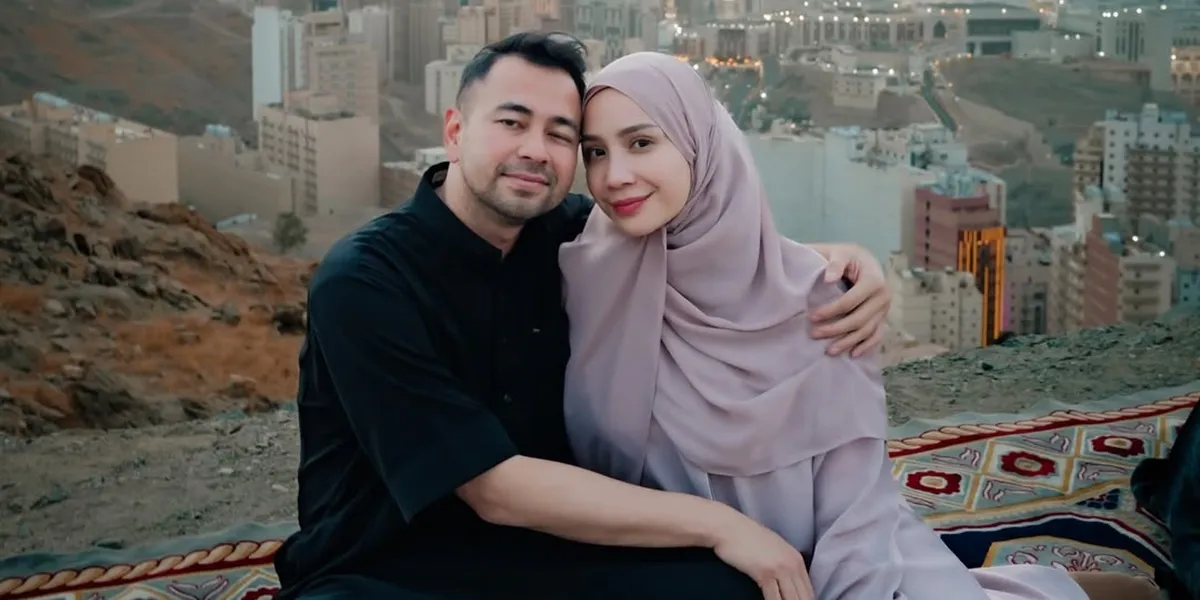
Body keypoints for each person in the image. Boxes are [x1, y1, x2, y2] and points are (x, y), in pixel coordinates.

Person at [272, 33, 893, 599]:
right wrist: (720, 525)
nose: (534, 151)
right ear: (456, 131)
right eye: (512, 123)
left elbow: (710, 242)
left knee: (735, 590)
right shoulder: (366, 280)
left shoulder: (574, 239)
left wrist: (841, 260)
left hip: (543, 551)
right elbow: (493, 488)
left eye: (562, 135)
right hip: (385, 564)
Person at [558, 50, 1164, 600]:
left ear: (701, 145)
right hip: (669, 568)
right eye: (596, 152)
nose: (614, 176)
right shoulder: (588, 273)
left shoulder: (819, 302)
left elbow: (854, 512)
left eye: (641, 143)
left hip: (826, 567)